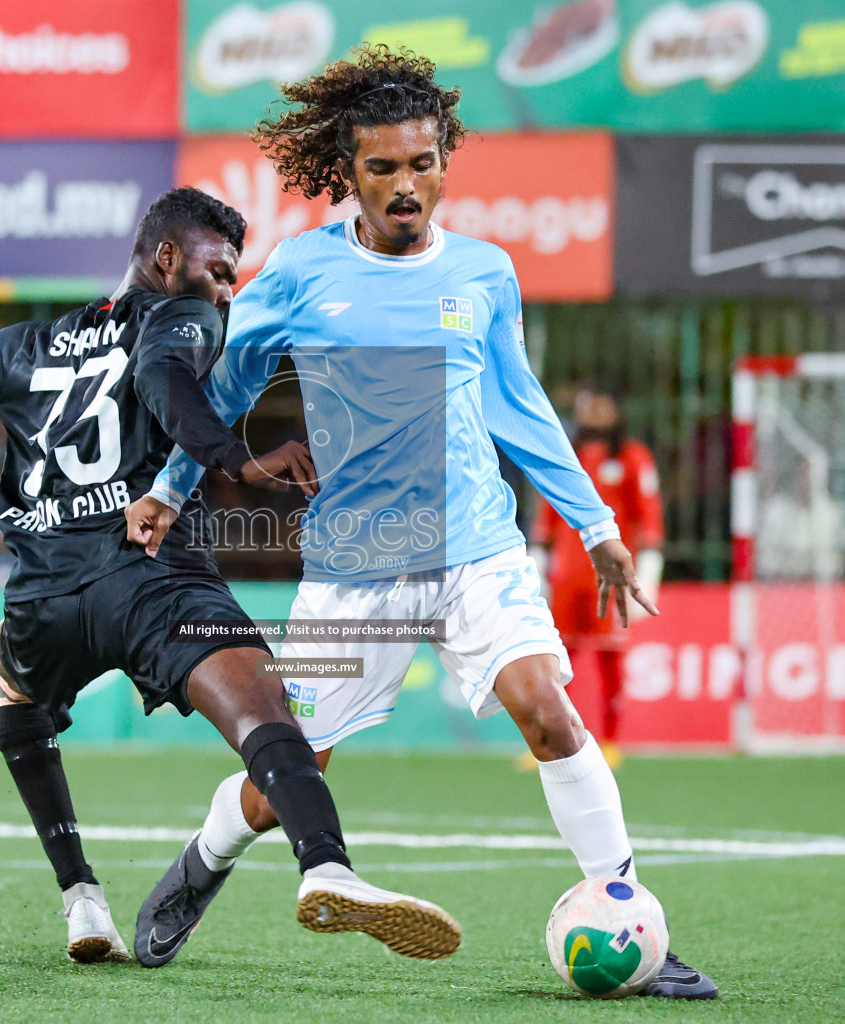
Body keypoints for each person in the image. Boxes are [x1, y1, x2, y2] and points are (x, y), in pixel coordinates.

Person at [125, 47, 716, 998]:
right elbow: (223, 394)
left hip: (478, 548)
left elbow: (518, 406)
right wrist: (167, 485)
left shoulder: (484, 272)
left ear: (445, 159)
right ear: (349, 172)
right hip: (360, 563)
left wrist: (595, 523)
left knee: (550, 715)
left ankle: (627, 915)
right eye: (384, 168)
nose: (408, 186)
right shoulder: (302, 272)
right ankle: (205, 858)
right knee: (291, 771)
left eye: (423, 162)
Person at [0, 187, 462, 967]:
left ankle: (81, 899)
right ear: (168, 258)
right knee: (265, 712)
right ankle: (326, 866)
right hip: (151, 576)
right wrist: (237, 457)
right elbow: (166, 380)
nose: (226, 290)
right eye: (219, 270)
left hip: (45, 594)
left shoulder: (25, 345)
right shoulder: (181, 317)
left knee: (16, 694)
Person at [531, 383, 665, 768]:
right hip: (567, 577)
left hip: (606, 578)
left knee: (611, 660)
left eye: (600, 405)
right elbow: (547, 512)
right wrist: (539, 557)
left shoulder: (632, 457)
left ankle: (610, 740)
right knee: (555, 659)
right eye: (586, 407)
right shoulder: (566, 454)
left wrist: (650, 569)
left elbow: (649, 515)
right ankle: (555, 742)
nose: (591, 414)